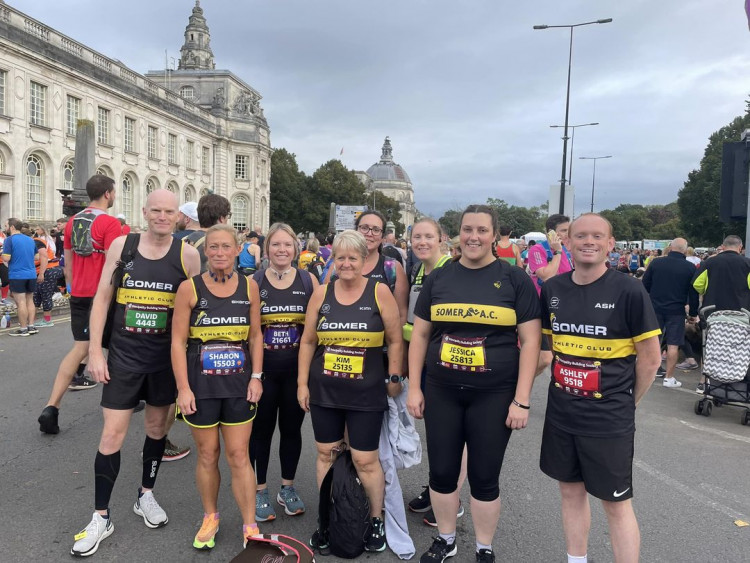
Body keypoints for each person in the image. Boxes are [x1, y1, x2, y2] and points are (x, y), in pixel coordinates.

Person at [407, 205, 541, 563]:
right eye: (468, 229)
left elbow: (531, 342)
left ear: (494, 235)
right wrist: (415, 388)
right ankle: (446, 540)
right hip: (442, 390)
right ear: (458, 234)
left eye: (482, 230)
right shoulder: (440, 277)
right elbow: (420, 335)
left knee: (484, 476)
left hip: (494, 395)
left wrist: (522, 399)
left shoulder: (515, 279)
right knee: (443, 472)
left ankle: (484, 547)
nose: (474, 237)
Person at [70, 189, 200, 557]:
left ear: (178, 216)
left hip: (164, 360)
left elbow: (194, 308)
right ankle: (100, 516)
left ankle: (146, 495)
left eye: (168, 211)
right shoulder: (123, 247)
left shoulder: (188, 255)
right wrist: (95, 351)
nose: (162, 216)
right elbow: (102, 299)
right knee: (112, 434)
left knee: (157, 430)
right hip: (124, 358)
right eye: (155, 210)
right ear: (145, 211)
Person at [539, 213, 662, 563]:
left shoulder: (629, 289)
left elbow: (650, 360)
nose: (588, 241)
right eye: (580, 235)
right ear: (568, 242)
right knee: (570, 492)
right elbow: (547, 350)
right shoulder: (553, 289)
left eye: (597, 236)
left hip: (608, 418)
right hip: (562, 413)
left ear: (610, 244)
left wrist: (627, 402)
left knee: (615, 503)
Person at [298, 230, 404, 555]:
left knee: (365, 460)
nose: (345, 264)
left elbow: (396, 339)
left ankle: (375, 519)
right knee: (327, 455)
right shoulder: (322, 293)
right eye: (340, 258)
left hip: (366, 393)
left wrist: (395, 376)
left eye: (352, 258)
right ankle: (327, 518)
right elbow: (308, 341)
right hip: (325, 390)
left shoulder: (378, 291)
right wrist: (302, 383)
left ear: (363, 261)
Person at [171, 224, 264, 550]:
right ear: (205, 251)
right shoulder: (189, 288)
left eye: (226, 247)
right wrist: (183, 388)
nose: (220, 253)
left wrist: (257, 377)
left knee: (239, 455)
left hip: (239, 383)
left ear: (238, 250)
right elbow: (178, 341)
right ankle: (210, 516)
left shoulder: (250, 288)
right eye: (214, 248)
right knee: (208, 454)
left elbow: (255, 336)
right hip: (201, 385)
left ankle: (250, 525)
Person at [38, 175, 122, 434]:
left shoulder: (72, 222)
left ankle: (52, 406)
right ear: (108, 193)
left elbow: (68, 263)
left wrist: (74, 289)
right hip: (104, 295)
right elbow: (114, 265)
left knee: (80, 349)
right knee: (116, 348)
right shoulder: (110, 224)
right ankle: (118, 401)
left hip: (80, 293)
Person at [250, 223, 317, 522]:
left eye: (287, 245)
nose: (281, 250)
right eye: (275, 245)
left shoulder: (308, 280)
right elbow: (250, 332)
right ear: (267, 250)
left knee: (291, 431)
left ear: (296, 248)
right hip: (264, 373)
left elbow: (316, 330)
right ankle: (259, 489)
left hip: (295, 373)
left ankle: (286, 488)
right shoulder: (254, 281)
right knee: (261, 432)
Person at [161, 194, 233, 461]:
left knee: (171, 387)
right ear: (223, 218)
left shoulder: (176, 239)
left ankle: (158, 438)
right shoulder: (211, 245)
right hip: (200, 326)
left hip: (166, 318)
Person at [402, 217, 460, 527]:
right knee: (436, 432)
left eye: (428, 236)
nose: (422, 242)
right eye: (417, 237)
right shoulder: (420, 269)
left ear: (441, 239)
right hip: (420, 360)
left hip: (441, 362)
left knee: (448, 434)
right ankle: (437, 487)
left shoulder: (449, 271)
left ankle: (450, 497)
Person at [642, 237, 699, 388]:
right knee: (673, 344)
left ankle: (648, 373)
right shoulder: (690, 268)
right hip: (676, 310)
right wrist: (693, 313)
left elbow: (645, 285)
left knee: (652, 341)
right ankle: (669, 378)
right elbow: (693, 294)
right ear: (685, 250)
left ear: (670, 247)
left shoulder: (656, 263)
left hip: (655, 308)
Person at [2, 218, 39, 336]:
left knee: (21, 302)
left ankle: (23, 329)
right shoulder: (30, 239)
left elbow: (6, 258)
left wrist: (2, 254)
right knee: (30, 300)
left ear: (12, 227)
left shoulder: (9, 240)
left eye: (6, 225)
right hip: (31, 274)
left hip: (17, 274)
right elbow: (37, 257)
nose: (5, 228)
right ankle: (31, 326)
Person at [528, 213, 573, 295]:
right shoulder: (537, 249)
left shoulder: (567, 249)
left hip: (566, 297)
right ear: (551, 232)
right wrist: (558, 251)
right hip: (545, 299)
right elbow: (546, 277)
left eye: (569, 230)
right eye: (564, 231)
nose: (568, 234)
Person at [32, 225, 63, 327]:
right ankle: (31, 319)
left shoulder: (37, 242)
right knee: (37, 295)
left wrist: (41, 274)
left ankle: (47, 320)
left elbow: (44, 258)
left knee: (45, 295)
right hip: (48, 269)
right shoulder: (38, 241)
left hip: (49, 270)